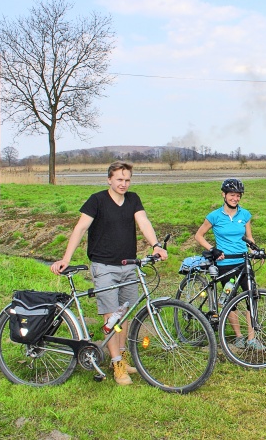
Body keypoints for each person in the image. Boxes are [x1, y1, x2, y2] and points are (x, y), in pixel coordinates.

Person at [50, 161, 168, 385]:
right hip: (104, 266)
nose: (124, 184)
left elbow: (143, 221)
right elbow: (80, 228)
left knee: (124, 314)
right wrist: (66, 258)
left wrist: (155, 245)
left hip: (129, 266)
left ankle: (122, 355)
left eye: (127, 180)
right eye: (119, 180)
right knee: (110, 316)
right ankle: (116, 363)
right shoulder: (97, 200)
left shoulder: (133, 199)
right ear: (109, 180)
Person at [195, 178, 263, 351]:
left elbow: (249, 237)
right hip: (225, 263)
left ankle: (251, 337)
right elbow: (199, 236)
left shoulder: (245, 215)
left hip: (243, 261)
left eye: (238, 195)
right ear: (224, 195)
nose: (235, 198)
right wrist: (213, 249)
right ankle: (238, 337)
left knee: (251, 297)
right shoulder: (215, 216)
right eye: (232, 195)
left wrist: (255, 250)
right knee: (230, 299)